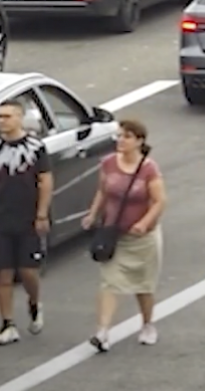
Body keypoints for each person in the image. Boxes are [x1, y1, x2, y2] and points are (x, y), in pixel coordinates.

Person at [0, 100, 54, 345]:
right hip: (0, 218)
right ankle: (7, 323)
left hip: (27, 217)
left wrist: (42, 214)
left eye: (7, 116)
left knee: (28, 271)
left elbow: (45, 181)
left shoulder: (36, 148)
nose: (2, 121)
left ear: (20, 118)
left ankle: (34, 302)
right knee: (3, 272)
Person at [81, 119, 167, 351]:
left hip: (142, 238)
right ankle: (102, 332)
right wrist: (93, 214)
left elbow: (159, 201)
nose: (121, 140)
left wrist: (144, 223)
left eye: (127, 136)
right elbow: (102, 191)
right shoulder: (109, 163)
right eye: (119, 136)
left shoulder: (149, 168)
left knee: (144, 284)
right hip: (114, 235)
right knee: (109, 282)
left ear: (139, 141)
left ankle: (147, 324)